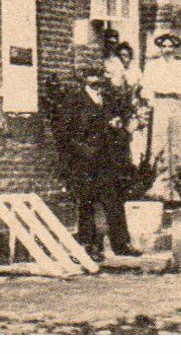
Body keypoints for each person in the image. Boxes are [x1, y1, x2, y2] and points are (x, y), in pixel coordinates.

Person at [60, 69, 135, 259]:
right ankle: (89, 245)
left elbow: (116, 126)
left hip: (107, 159)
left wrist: (118, 128)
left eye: (100, 79)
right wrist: (84, 151)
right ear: (85, 80)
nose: (97, 83)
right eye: (92, 78)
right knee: (87, 202)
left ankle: (121, 243)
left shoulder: (108, 101)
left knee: (114, 200)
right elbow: (66, 133)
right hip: (85, 160)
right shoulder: (75, 101)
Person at [139, 30, 181, 205]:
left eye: (170, 46)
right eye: (164, 46)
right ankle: (160, 186)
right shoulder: (152, 66)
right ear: (159, 48)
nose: (167, 49)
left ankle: (175, 187)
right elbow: (146, 88)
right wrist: (150, 105)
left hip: (176, 103)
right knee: (159, 144)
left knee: (177, 146)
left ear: (175, 48)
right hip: (159, 104)